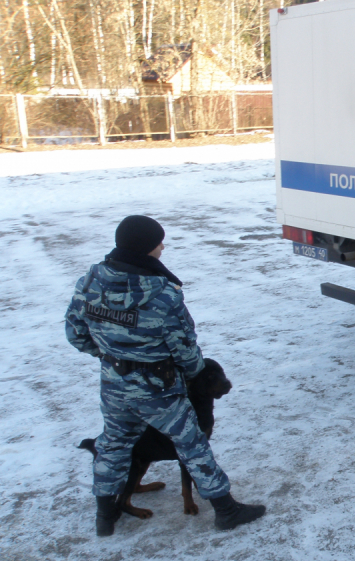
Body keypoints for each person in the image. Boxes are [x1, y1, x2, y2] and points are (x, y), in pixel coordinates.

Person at [65, 215, 266, 536]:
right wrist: (190, 374)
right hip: (159, 388)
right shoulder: (162, 294)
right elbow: (185, 350)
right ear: (146, 248)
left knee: (113, 446)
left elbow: (76, 334)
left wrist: (110, 354)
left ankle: (105, 516)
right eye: (159, 242)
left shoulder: (91, 280)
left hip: (114, 385)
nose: (162, 246)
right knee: (192, 445)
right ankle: (226, 510)